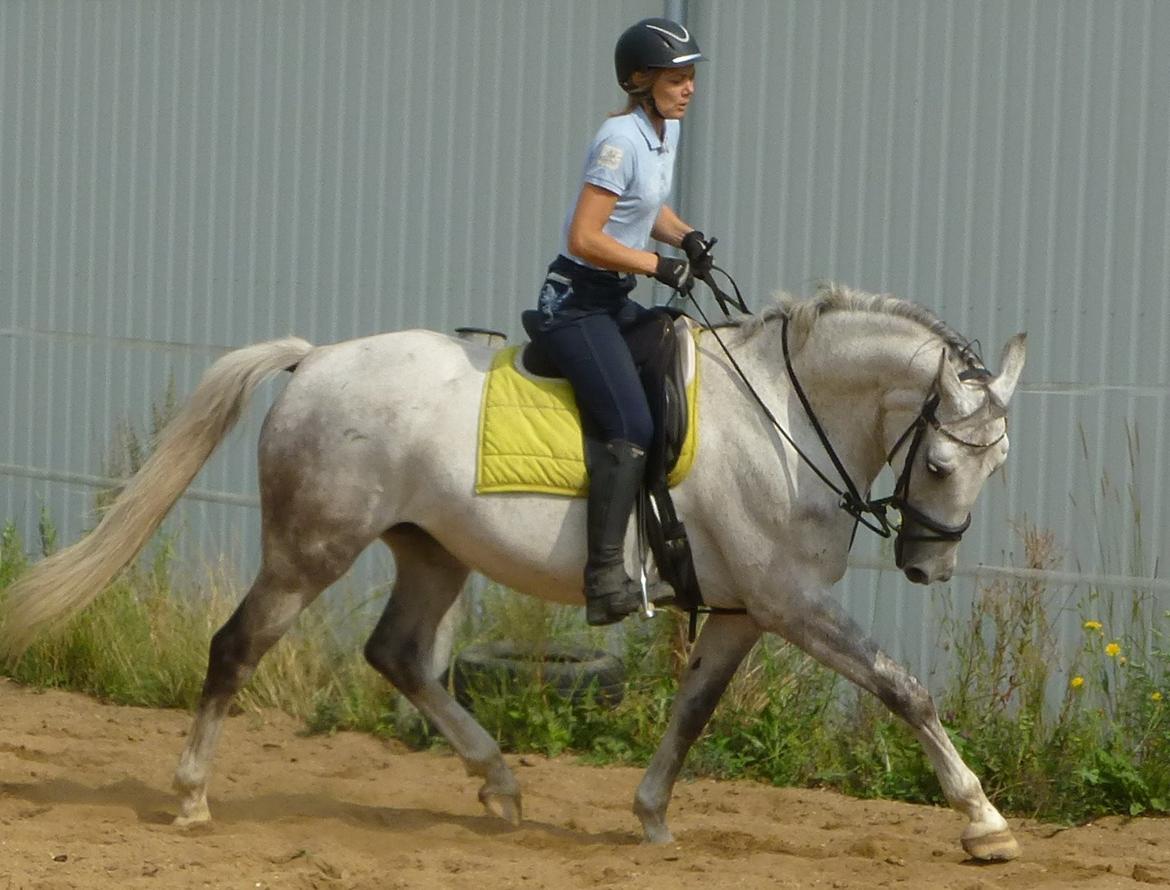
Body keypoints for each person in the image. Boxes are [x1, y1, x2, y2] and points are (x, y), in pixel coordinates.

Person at [530, 17, 718, 626]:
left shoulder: (663, 131)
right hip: (577, 303)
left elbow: (646, 206)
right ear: (641, 80)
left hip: (611, 300)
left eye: (691, 77)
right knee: (631, 422)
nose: (689, 88)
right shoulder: (618, 139)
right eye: (677, 77)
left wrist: (685, 237)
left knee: (676, 354)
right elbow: (585, 236)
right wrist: (656, 265)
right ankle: (604, 578)